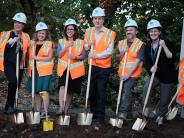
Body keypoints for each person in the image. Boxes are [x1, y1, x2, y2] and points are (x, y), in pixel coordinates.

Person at [142, 19, 177, 126]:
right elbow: (146, 62)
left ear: (159, 32)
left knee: (164, 98)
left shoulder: (167, 43)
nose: (153, 33)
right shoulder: (147, 46)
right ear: (149, 33)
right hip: (155, 75)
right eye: (151, 31)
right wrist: (150, 68)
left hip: (167, 75)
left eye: (155, 31)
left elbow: (171, 57)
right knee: (146, 88)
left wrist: (164, 46)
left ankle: (161, 117)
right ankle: (145, 114)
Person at [84, 7, 116, 123]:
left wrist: (96, 56)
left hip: (104, 67)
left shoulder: (110, 33)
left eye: (100, 19)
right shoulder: (88, 31)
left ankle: (100, 116)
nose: (97, 21)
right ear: (92, 19)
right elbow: (86, 47)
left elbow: (110, 51)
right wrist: (88, 46)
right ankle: (93, 113)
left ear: (103, 20)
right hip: (92, 66)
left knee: (101, 91)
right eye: (95, 18)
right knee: (91, 90)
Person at [0, 12, 30, 114]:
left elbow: (29, 49)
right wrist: (11, 42)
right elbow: (2, 48)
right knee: (13, 82)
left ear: (23, 25)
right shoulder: (6, 34)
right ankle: (7, 107)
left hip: (20, 64)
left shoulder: (26, 36)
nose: (18, 24)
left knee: (16, 85)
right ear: (13, 23)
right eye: (16, 22)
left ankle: (11, 107)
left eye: (20, 23)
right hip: (8, 63)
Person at [116, 19, 144, 120]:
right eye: (127, 30)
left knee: (126, 91)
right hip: (122, 73)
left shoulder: (140, 44)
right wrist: (123, 52)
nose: (129, 32)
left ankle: (123, 113)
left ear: (136, 31)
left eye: (131, 30)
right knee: (126, 92)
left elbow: (137, 62)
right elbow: (118, 58)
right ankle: (129, 115)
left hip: (132, 74)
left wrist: (127, 75)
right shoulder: (121, 43)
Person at [57, 18, 85, 114]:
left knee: (70, 91)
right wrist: (66, 47)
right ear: (65, 30)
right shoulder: (61, 41)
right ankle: (61, 108)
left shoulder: (81, 42)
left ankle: (65, 110)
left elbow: (83, 56)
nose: (70, 31)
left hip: (75, 70)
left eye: (71, 29)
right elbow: (59, 55)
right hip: (64, 69)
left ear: (75, 30)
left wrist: (75, 57)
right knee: (62, 87)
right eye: (68, 29)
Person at [27, 22, 54, 118]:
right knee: (36, 91)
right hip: (33, 70)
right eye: (39, 33)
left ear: (46, 34)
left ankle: (44, 111)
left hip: (45, 71)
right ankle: (38, 111)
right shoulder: (32, 43)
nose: (41, 35)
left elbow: (50, 58)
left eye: (43, 33)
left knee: (44, 91)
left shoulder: (49, 44)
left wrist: (36, 57)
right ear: (36, 33)